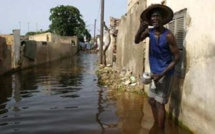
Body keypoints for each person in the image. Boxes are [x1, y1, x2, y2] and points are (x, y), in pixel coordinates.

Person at [134, 4, 180, 129]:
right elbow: (136, 41)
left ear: (162, 18)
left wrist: (162, 74)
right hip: (154, 73)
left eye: (157, 16)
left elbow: (177, 58)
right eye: (153, 16)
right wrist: (140, 28)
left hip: (165, 74)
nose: (154, 18)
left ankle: (160, 130)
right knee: (151, 101)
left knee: (160, 104)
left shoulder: (169, 35)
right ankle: (156, 125)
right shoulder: (149, 32)